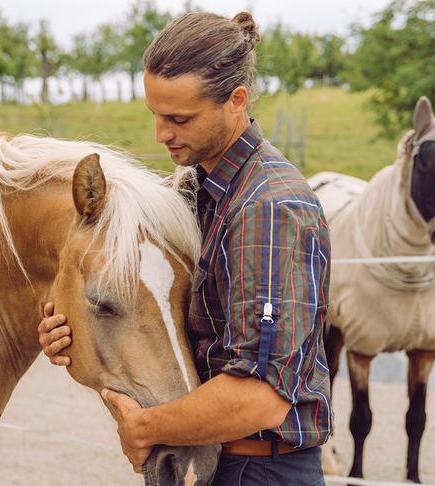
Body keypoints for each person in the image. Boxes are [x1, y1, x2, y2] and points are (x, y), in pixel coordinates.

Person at [37, 11, 331, 485]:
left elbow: (261, 396)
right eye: (155, 115)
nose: (162, 135)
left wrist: (145, 426)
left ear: (236, 101)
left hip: (258, 468)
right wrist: (69, 327)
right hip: (215, 458)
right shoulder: (195, 191)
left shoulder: (269, 210)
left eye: (179, 118)